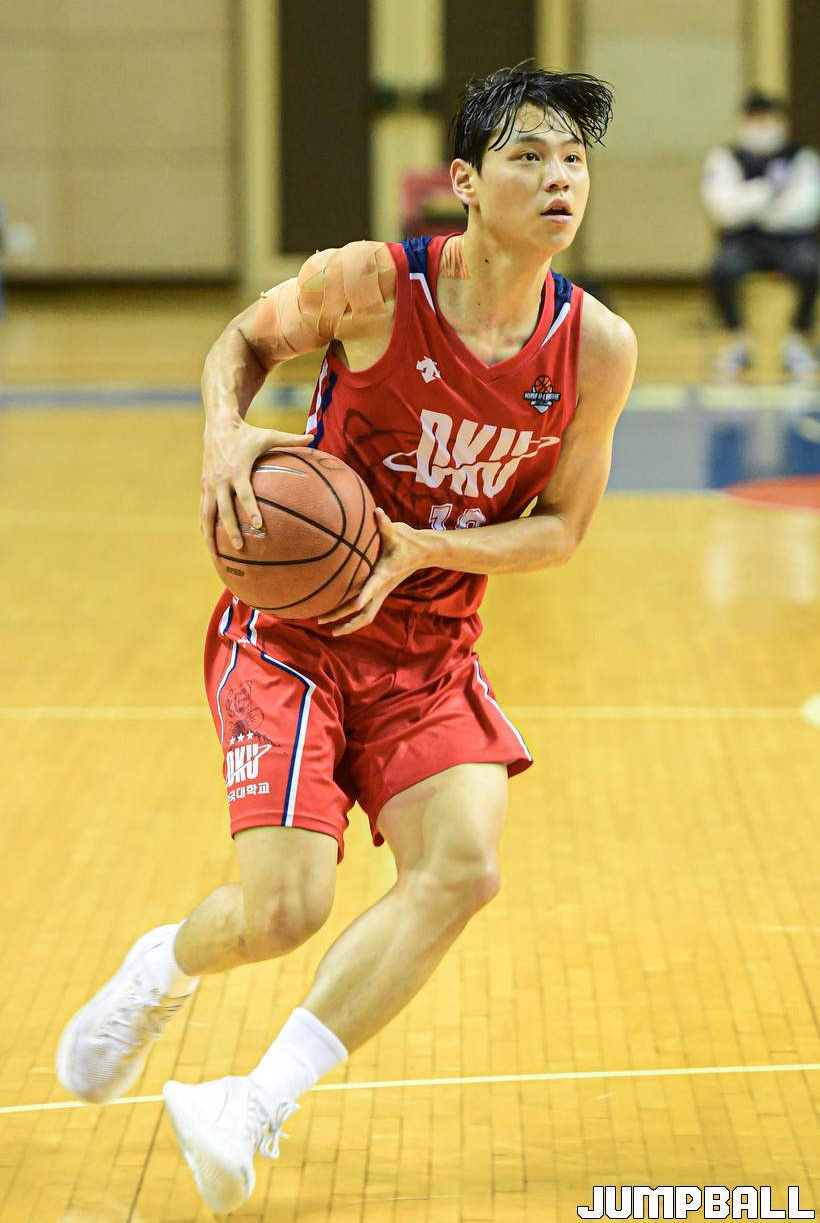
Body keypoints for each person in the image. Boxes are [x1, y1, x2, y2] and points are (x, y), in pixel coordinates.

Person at [55, 66, 637, 1214]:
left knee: (463, 867)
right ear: (464, 180)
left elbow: (562, 529)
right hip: (295, 633)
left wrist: (425, 549)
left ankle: (250, 1105)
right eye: (527, 156)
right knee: (284, 911)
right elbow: (242, 339)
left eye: (573, 160)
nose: (557, 179)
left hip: (428, 647)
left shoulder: (595, 348)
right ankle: (160, 968)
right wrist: (225, 436)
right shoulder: (370, 284)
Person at [701, 90, 820, 383]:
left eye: (767, 118)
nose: (761, 126)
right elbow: (723, 210)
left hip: (791, 239)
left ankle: (797, 339)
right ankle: (737, 339)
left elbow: (807, 208)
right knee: (722, 269)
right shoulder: (725, 158)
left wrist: (750, 204)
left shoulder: (802, 158)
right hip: (744, 240)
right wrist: (768, 193)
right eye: (754, 119)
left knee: (811, 267)